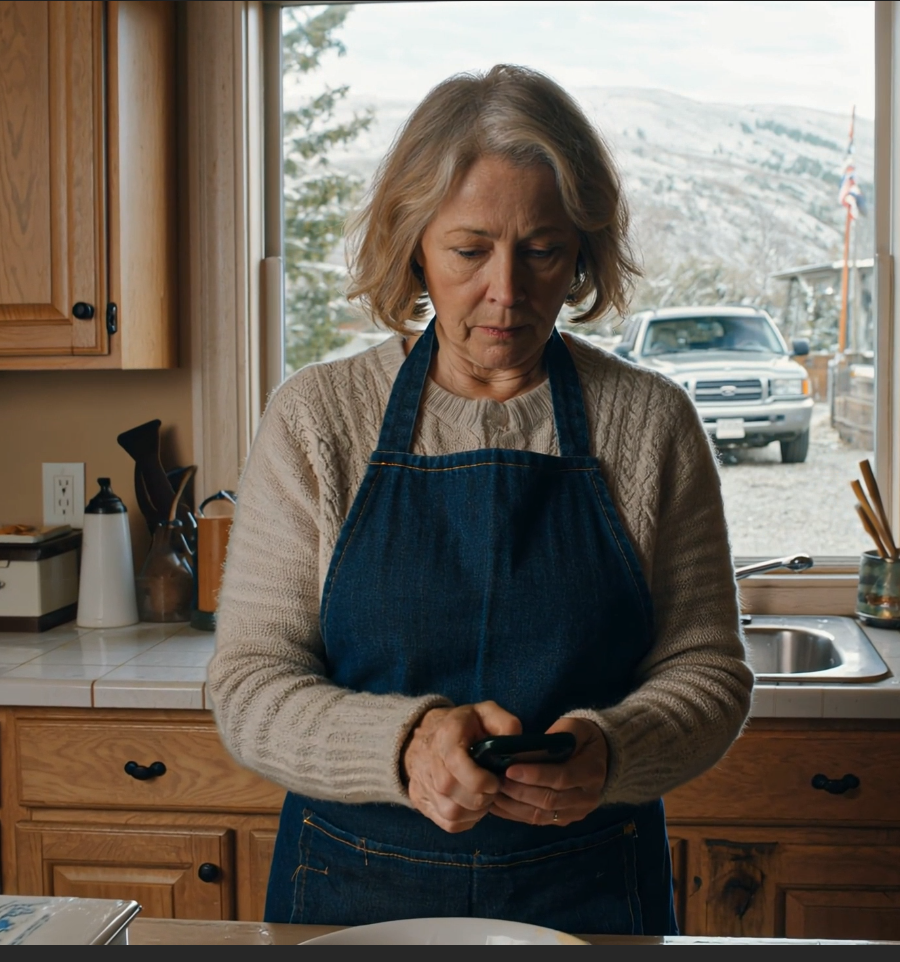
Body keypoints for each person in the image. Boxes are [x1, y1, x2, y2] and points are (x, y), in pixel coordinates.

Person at [209, 64, 752, 936]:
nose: (507, 290)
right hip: (353, 891)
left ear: (581, 252)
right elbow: (248, 685)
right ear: (415, 245)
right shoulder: (318, 418)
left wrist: (612, 751)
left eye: (542, 250)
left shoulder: (650, 423)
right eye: (470, 251)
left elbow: (708, 673)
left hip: (590, 892)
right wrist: (407, 747)